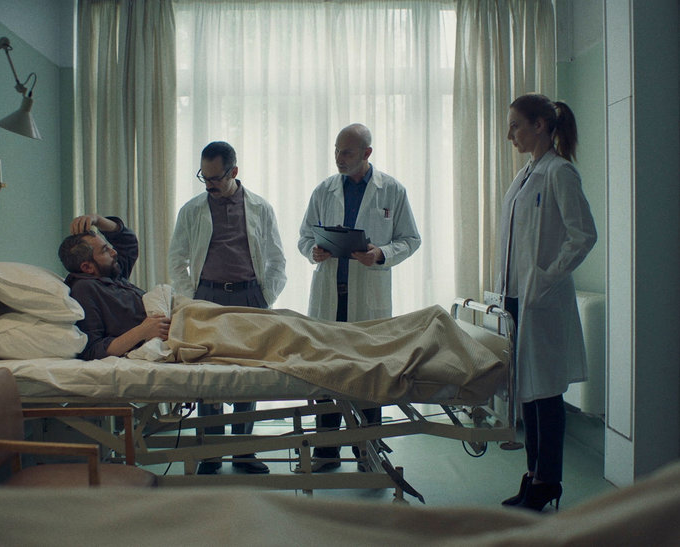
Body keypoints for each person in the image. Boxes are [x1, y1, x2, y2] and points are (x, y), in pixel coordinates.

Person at [297, 123, 421, 471]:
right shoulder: (324, 190)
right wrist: (313, 251)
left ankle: (368, 455)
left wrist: (381, 253)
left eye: (347, 152)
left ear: (367, 153)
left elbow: (410, 239)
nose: (339, 157)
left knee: (369, 376)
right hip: (329, 297)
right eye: (337, 150)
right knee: (326, 374)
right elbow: (304, 236)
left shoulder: (391, 190)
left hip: (368, 298)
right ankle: (326, 453)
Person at [496, 94, 597, 511]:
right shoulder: (526, 174)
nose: (510, 135)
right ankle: (533, 475)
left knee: (546, 396)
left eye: (515, 125)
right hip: (517, 299)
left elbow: (583, 235)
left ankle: (547, 481)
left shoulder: (560, 172)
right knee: (528, 394)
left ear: (540, 126)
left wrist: (545, 277)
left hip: (541, 300)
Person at [168, 141, 287, 475]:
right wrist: (191, 297)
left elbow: (277, 258)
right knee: (208, 375)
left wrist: (264, 297)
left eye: (215, 178)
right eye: (203, 177)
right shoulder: (192, 210)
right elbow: (177, 259)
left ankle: (243, 451)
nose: (208, 185)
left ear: (233, 171)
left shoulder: (260, 208)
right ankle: (212, 453)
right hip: (206, 297)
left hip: (249, 297)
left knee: (249, 375)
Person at [58, 214, 171, 361]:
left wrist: (98, 220)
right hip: (167, 332)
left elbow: (128, 242)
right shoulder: (84, 289)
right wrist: (142, 331)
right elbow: (93, 350)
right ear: (87, 267)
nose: (114, 252)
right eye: (105, 250)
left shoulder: (111, 272)